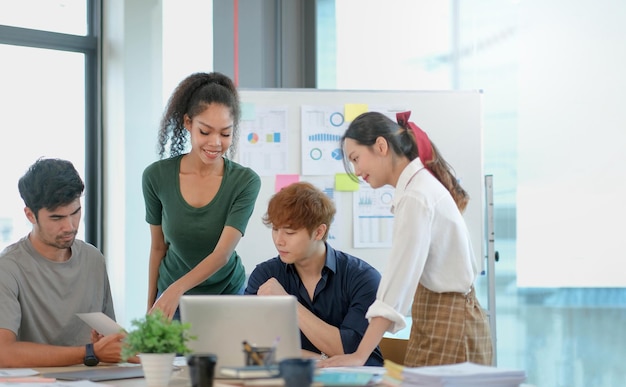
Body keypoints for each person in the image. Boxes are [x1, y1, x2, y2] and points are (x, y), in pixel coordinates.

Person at [319, 111, 493, 368]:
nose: (357, 171)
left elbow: (397, 281)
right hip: (443, 318)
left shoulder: (415, 196)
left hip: (450, 324)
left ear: (381, 146)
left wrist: (359, 355)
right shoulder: (418, 187)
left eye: (356, 159)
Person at [143, 71, 261, 320]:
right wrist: (152, 305)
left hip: (227, 295)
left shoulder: (245, 182)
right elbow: (157, 248)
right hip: (171, 298)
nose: (216, 142)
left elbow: (222, 255)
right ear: (188, 123)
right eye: (205, 132)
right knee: (168, 360)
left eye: (225, 133)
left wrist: (175, 290)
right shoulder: (156, 177)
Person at [0, 158, 135, 367]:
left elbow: (111, 337)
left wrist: (114, 346)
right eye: (56, 218)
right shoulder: (8, 268)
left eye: (75, 212)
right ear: (30, 215)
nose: (70, 226)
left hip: (94, 378)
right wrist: (90, 352)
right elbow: (4, 353)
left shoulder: (93, 259)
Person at [245, 182, 384, 366]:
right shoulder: (266, 275)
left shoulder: (363, 278)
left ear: (319, 232)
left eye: (290, 232)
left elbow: (352, 352)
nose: (279, 241)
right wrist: (317, 359)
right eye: (275, 229)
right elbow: (251, 345)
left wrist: (289, 303)